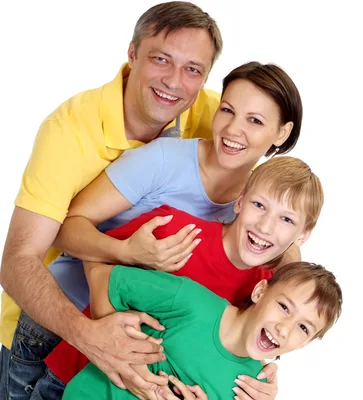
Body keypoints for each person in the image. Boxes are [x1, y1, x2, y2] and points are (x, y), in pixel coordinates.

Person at [11, 59, 304, 400]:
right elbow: (69, 232)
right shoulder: (166, 169)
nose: (233, 129)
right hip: (64, 321)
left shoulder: (265, 220)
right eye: (227, 111)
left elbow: (280, 313)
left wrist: (261, 376)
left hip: (135, 378)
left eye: (255, 120)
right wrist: (124, 256)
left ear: (281, 133)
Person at [0, 1, 224, 395]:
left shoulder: (215, 116)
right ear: (132, 54)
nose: (174, 81)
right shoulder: (68, 129)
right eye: (160, 59)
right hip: (53, 323)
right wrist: (89, 335)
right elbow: (18, 260)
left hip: (140, 329)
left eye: (193, 70)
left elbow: (270, 211)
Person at [39, 155, 322, 399]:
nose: (265, 226)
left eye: (286, 220)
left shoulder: (270, 289)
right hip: (75, 373)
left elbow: (261, 341)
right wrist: (117, 348)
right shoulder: (175, 229)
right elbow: (95, 259)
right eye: (259, 205)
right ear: (240, 201)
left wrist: (266, 384)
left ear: (303, 236)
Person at [62, 260, 343, 400]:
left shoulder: (252, 388)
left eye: (304, 328)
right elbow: (103, 277)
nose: (284, 329)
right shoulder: (192, 302)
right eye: (284, 307)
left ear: (306, 343)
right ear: (260, 291)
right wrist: (125, 359)